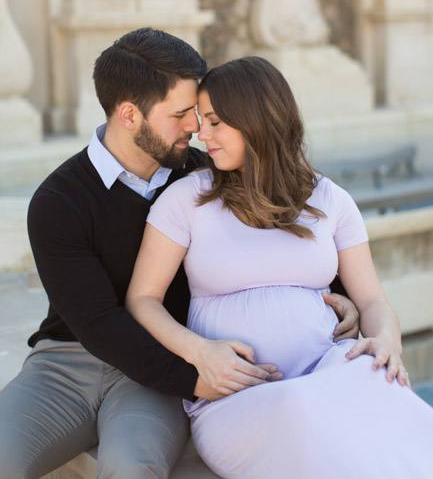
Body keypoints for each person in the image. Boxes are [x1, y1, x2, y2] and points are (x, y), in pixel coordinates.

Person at [0, 30, 357, 479]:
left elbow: (283, 226)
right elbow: (99, 323)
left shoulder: (209, 176)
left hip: (158, 366)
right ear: (129, 114)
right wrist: (196, 378)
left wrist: (339, 294)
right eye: (182, 113)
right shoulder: (59, 201)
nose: (197, 127)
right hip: (66, 361)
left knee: (132, 468)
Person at [126, 55, 433, 479]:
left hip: (330, 366)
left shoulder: (330, 199)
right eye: (202, 119)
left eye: (215, 122)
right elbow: (143, 299)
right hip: (237, 398)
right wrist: (199, 352)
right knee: (300, 409)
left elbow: (372, 298)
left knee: (388, 395)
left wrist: (386, 340)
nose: (202, 133)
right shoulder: (187, 199)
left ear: (255, 120)